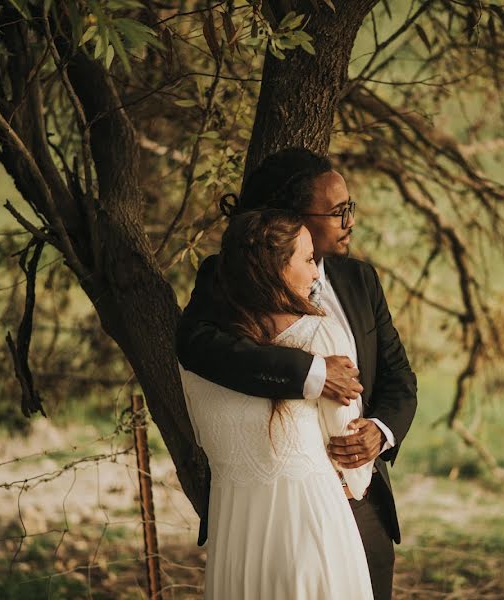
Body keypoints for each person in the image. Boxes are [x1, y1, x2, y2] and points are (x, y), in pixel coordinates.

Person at [177, 147, 418, 600]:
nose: (350, 221)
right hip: (266, 509)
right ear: (292, 220)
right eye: (336, 211)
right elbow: (198, 347)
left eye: (350, 208)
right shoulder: (226, 277)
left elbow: (399, 376)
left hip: (363, 506)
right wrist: (309, 374)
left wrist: (380, 432)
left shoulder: (360, 280)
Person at [179, 210, 374, 598]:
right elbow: (353, 467)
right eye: (306, 260)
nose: (317, 273)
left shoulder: (196, 354)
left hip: (235, 536)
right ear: (275, 269)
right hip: (310, 528)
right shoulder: (321, 335)